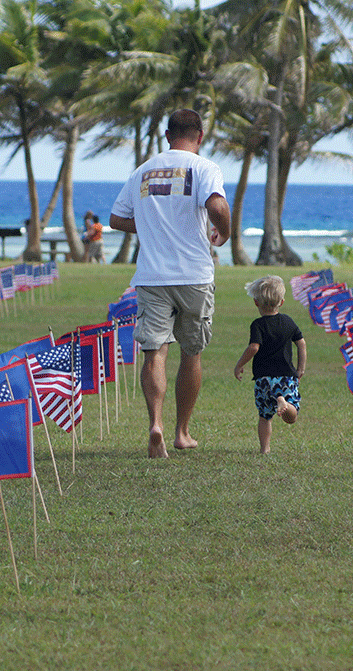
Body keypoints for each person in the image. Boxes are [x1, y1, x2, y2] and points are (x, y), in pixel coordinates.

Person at [109, 108, 231, 458]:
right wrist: (224, 233)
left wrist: (150, 226)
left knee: (155, 353)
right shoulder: (205, 168)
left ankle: (155, 424)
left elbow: (118, 218)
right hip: (194, 275)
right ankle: (182, 432)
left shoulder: (143, 170)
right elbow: (217, 205)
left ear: (166, 135)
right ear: (201, 136)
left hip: (151, 276)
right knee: (191, 354)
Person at [233, 275, 307, 454]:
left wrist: (239, 364)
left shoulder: (257, 325)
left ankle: (265, 449)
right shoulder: (288, 321)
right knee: (292, 416)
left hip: (264, 380)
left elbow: (253, 347)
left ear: (256, 303)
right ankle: (284, 402)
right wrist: (300, 368)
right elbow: (301, 344)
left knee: (265, 416)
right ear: (281, 302)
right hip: (287, 377)